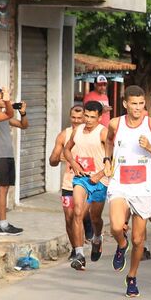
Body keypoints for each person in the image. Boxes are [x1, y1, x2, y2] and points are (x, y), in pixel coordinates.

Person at [106, 86, 151, 296]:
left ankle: (132, 276)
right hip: (119, 182)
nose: (137, 108)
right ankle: (121, 244)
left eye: (141, 104)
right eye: (133, 104)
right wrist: (107, 159)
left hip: (143, 186)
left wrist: (150, 148)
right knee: (116, 226)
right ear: (125, 104)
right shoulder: (115, 123)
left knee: (138, 239)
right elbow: (108, 141)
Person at [64, 101, 109, 269]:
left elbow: (115, 158)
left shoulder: (103, 133)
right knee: (78, 212)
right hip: (81, 178)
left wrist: (100, 174)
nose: (88, 120)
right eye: (86, 116)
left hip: (99, 180)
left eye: (92, 117)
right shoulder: (77, 131)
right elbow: (67, 149)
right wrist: (74, 164)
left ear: (99, 117)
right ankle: (80, 254)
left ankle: (97, 237)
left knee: (95, 217)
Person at [0, 90, 28, 236]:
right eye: (1, 98)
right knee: (2, 189)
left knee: (4, 190)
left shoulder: (6, 116)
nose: (5, 100)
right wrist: (8, 106)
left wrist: (23, 113)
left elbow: (23, 125)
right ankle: (3, 225)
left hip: (8, 155)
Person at [49, 104, 85, 245]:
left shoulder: (96, 134)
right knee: (69, 217)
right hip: (69, 183)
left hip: (89, 183)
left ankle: (92, 237)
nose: (76, 121)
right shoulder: (64, 135)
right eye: (73, 118)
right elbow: (52, 161)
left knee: (81, 215)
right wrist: (58, 156)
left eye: (79, 118)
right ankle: (76, 250)